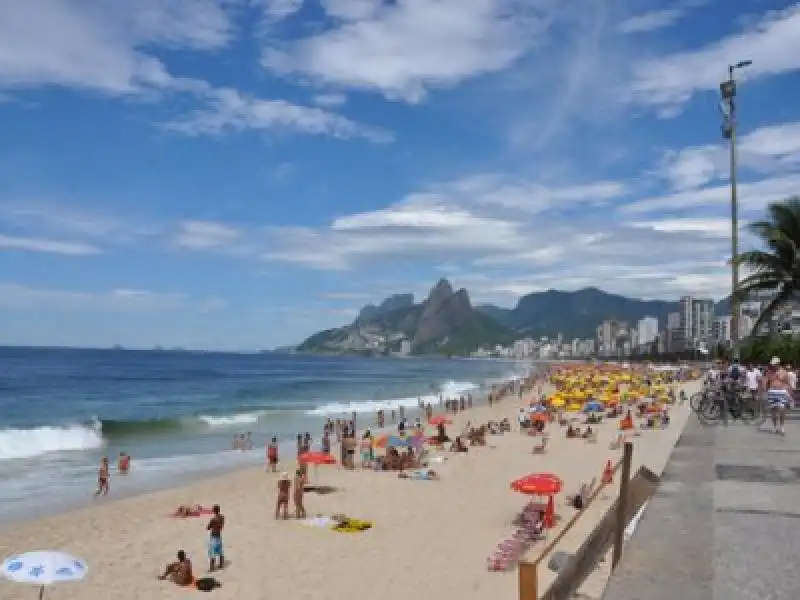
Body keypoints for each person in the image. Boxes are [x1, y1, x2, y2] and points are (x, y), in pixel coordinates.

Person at [765, 356, 791, 435]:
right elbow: (767, 382)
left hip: (781, 391)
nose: (773, 366)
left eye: (774, 364)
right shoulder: (769, 372)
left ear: (778, 364)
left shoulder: (784, 372)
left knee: (782, 409)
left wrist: (788, 393)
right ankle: (775, 426)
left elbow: (787, 383)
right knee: (773, 411)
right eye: (772, 364)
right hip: (772, 392)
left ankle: (782, 426)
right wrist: (767, 391)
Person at [206, 504, 225, 571]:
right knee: (220, 551)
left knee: (212, 553)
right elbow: (221, 526)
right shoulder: (222, 517)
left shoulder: (213, 519)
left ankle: (212, 568)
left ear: (214, 511)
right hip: (219, 536)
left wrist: (211, 526)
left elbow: (208, 527)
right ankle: (221, 564)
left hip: (214, 536)